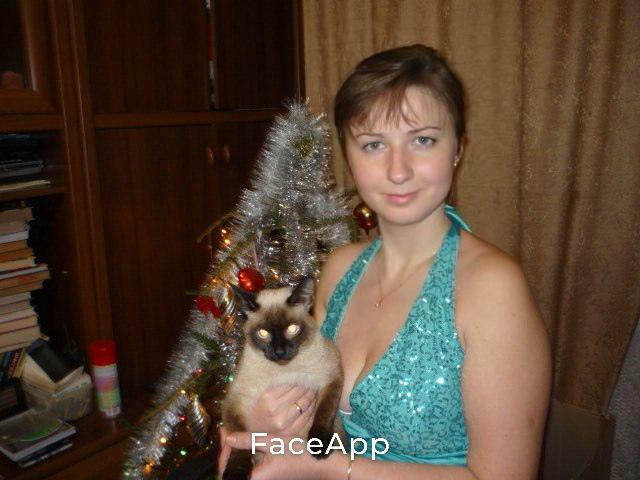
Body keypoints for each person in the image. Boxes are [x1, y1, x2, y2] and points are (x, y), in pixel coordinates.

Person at [220, 44, 552, 479]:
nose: (398, 170)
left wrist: (338, 469)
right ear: (348, 155)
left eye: (423, 140)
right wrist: (265, 429)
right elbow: (318, 419)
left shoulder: (493, 288)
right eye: (374, 145)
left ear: (458, 148)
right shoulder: (339, 269)